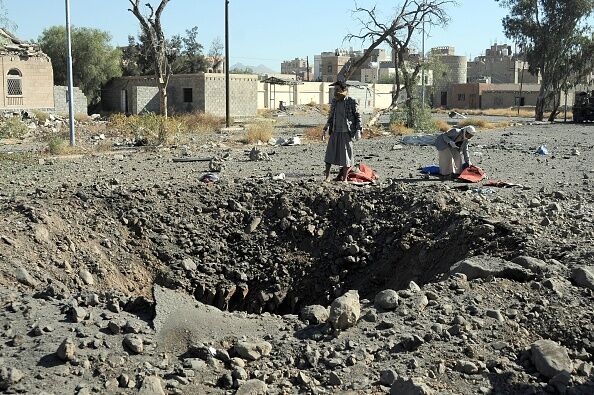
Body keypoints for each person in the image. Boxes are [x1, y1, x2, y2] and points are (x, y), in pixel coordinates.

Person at [322, 81, 362, 181]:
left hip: (346, 132)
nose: (335, 92)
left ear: (344, 90)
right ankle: (327, 177)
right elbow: (331, 116)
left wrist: (358, 130)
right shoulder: (335, 101)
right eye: (334, 90)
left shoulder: (351, 101)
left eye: (337, 90)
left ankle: (344, 179)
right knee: (329, 155)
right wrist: (325, 128)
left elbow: (358, 116)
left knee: (346, 157)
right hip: (335, 131)